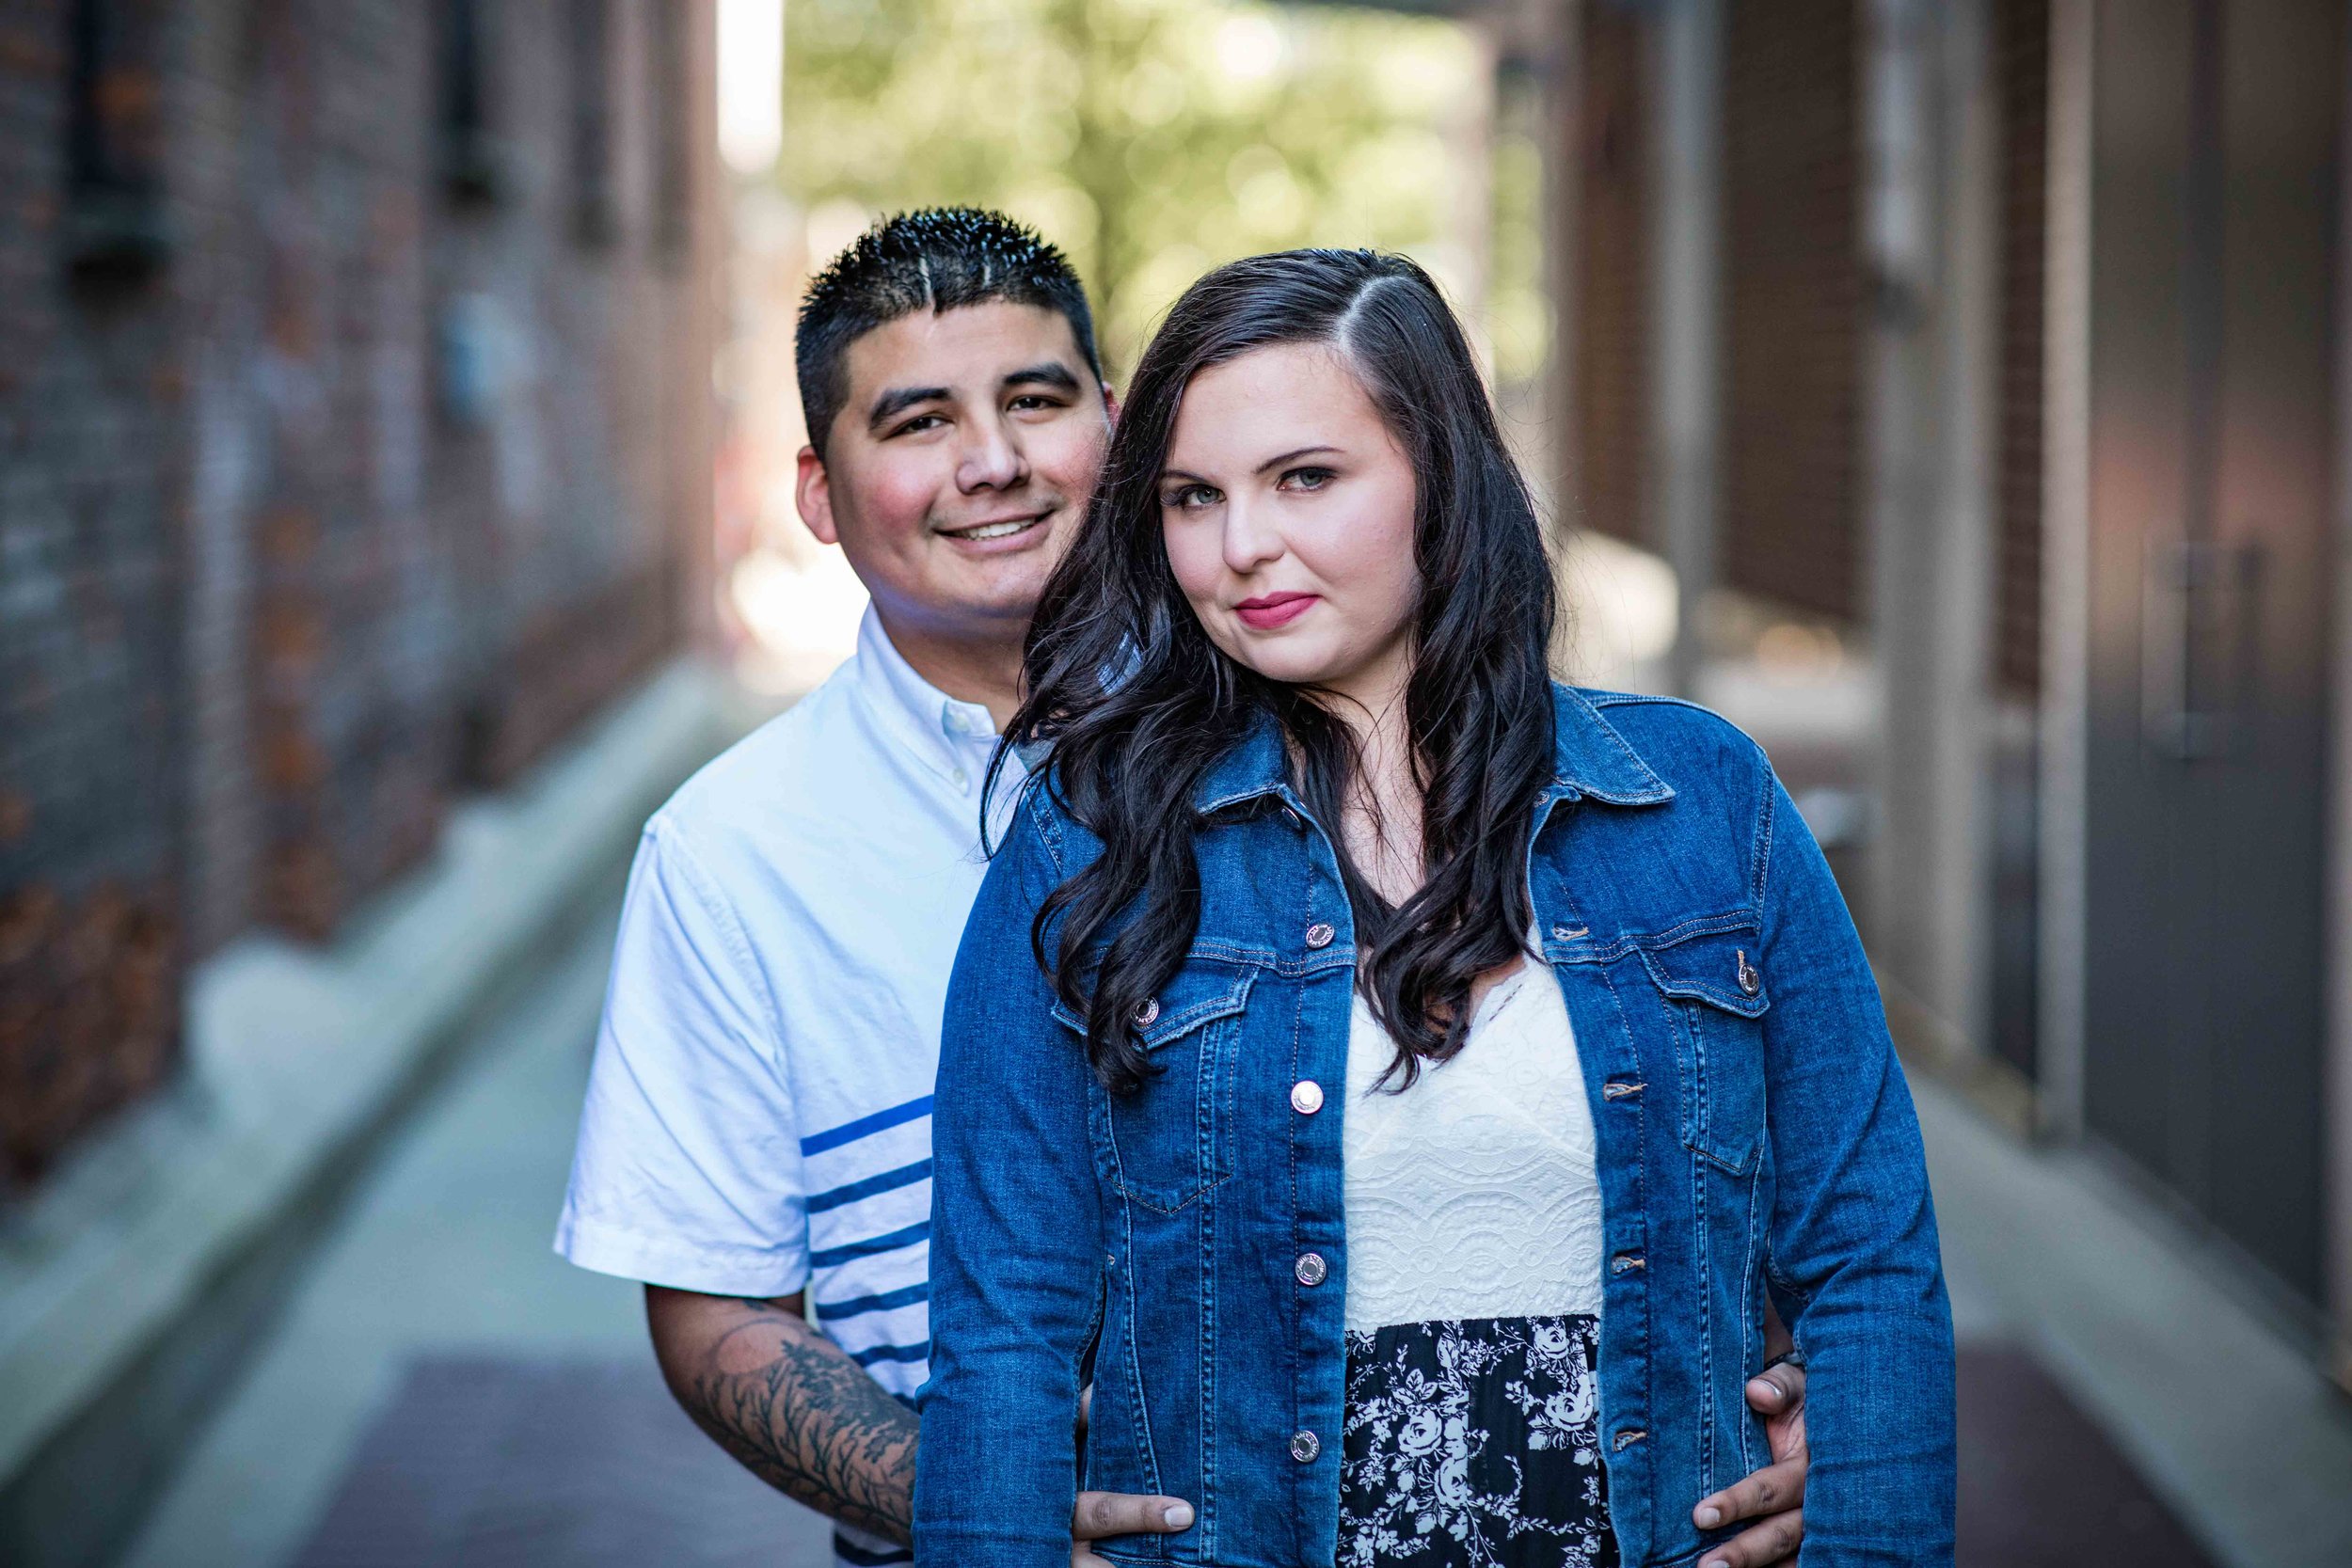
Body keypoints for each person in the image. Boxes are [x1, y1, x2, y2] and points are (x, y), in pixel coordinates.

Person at [557, 212, 1813, 1568]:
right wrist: (995, 1503)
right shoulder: (731, 852)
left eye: (1035, 402)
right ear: (817, 491)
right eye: (918, 423)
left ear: (1118, 428)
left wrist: (1779, 1399)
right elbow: (714, 1308)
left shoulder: (1350, 709)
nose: (993, 463)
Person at [915, 249, 1952, 1568]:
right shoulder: (1092, 838)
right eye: (1193, 497)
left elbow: (1870, 1268)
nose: (1242, 547)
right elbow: (1004, 1323)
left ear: (1440, 476)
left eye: (1306, 478)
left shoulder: (1699, 805)